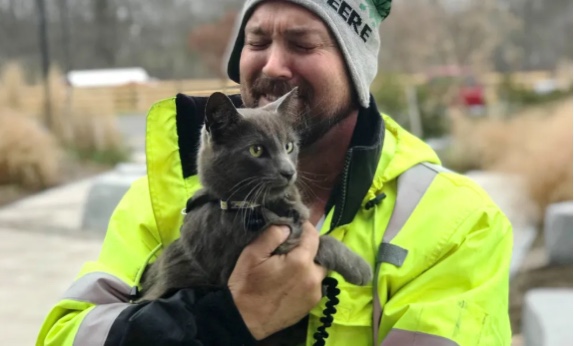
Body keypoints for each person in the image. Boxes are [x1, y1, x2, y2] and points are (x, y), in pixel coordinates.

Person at [37, 0, 513, 345]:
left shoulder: (457, 221)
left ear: (355, 68)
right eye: (257, 40)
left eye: (303, 43)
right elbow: (66, 336)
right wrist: (219, 321)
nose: (273, 64)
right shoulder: (163, 196)